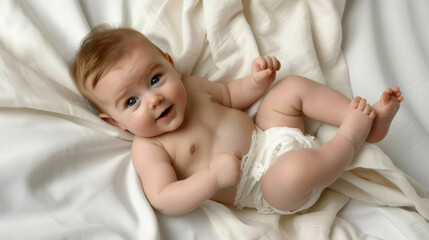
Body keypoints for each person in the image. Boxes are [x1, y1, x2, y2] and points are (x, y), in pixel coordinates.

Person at [70, 26, 403, 216]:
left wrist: (257, 82)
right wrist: (212, 178)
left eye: (155, 79)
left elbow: (231, 94)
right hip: (263, 186)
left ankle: (368, 122)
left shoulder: (194, 87)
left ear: (170, 64)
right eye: (131, 101)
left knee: (290, 88)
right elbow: (164, 198)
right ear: (116, 122)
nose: (154, 98)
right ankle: (351, 137)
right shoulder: (149, 148)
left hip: (269, 133)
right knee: (293, 171)